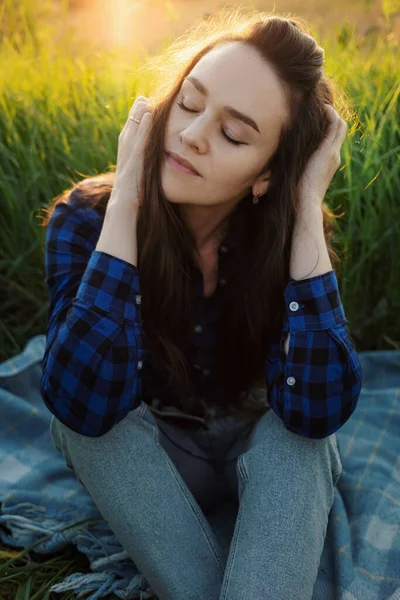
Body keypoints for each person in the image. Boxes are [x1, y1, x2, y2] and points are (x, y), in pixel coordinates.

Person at [40, 10, 364, 600]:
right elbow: (80, 404)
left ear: (265, 175)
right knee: (82, 425)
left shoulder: (283, 233)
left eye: (234, 135)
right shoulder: (86, 219)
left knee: (305, 437)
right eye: (189, 103)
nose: (192, 135)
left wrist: (307, 199)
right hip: (157, 454)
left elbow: (320, 410)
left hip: (255, 441)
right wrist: (126, 209)